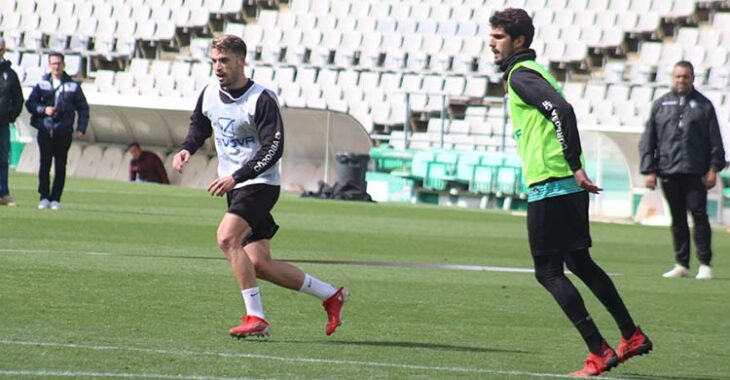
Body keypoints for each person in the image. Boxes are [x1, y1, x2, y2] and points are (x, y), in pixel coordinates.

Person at [489, 8, 652, 376]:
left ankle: (599, 350)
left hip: (552, 183)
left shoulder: (520, 76)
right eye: (492, 35)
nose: (491, 42)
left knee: (547, 271)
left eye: (499, 37)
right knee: (579, 263)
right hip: (565, 183)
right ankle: (631, 334)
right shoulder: (534, 72)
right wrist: (574, 168)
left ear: (519, 41)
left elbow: (562, 110)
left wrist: (573, 163)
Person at [173, 35, 348, 338]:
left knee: (227, 239)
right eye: (214, 61)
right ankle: (331, 295)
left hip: (259, 184)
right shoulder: (210, 94)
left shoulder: (261, 98)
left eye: (224, 60)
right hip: (235, 186)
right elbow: (199, 125)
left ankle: (256, 317)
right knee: (260, 264)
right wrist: (188, 147)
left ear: (241, 61)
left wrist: (237, 176)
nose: (218, 67)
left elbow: (272, 149)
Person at [639, 61, 726, 280]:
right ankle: (682, 264)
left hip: (696, 172)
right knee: (677, 219)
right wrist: (649, 170)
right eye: (678, 76)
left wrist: (714, 168)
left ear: (693, 78)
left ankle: (705, 264)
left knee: (699, 217)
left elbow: (715, 141)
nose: (681, 80)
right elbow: (649, 140)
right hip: (668, 170)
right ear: (672, 78)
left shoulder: (704, 106)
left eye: (685, 76)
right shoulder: (661, 104)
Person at [25, 52, 89, 210]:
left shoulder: (73, 86)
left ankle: (56, 198)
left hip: (64, 131)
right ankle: (44, 196)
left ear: (63, 65)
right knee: (44, 165)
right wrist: (43, 109)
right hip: (45, 130)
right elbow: (30, 104)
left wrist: (81, 128)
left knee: (60, 166)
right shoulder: (42, 84)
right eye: (53, 63)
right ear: (49, 65)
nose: (56, 66)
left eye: (59, 63)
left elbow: (83, 108)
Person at [0, 37, 23, 207]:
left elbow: (18, 99)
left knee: (3, 159)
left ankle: (3, 193)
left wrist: (11, 115)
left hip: (2, 124)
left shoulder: (10, 74)